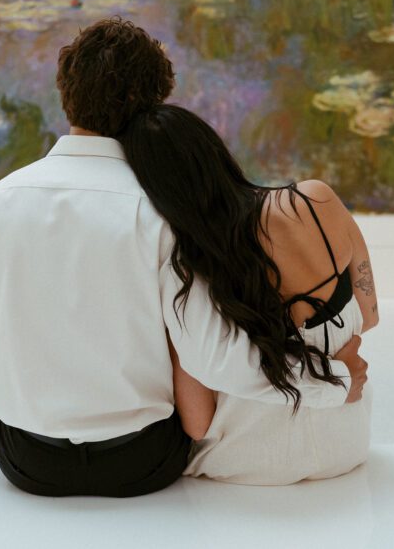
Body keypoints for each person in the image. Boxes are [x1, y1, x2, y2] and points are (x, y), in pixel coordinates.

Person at [0, 17, 368, 498]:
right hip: (137, 463)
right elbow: (213, 361)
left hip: (26, 462)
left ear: (65, 95)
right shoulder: (163, 214)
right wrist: (333, 382)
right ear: (153, 104)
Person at [118, 103, 378, 485]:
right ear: (216, 151)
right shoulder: (316, 200)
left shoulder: (189, 269)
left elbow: (197, 421)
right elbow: (368, 316)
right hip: (345, 445)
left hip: (244, 464)